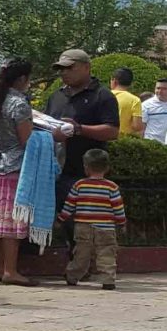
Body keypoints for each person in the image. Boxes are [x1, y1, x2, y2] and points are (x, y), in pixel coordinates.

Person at [42, 50, 122, 214]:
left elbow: (112, 131)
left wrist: (78, 129)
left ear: (86, 67)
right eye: (61, 69)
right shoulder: (56, 96)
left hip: (85, 173)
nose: (64, 72)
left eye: (70, 68)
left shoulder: (102, 96)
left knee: (81, 225)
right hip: (54, 172)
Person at [0, 59, 37, 285]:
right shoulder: (19, 104)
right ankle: (10, 270)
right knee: (13, 221)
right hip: (16, 166)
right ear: (22, 79)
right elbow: (27, 140)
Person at [61, 148, 127, 289]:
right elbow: (118, 208)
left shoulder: (79, 185)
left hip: (82, 226)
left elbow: (69, 205)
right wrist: (122, 223)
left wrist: (61, 219)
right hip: (106, 228)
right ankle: (108, 279)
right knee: (106, 252)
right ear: (107, 168)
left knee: (81, 253)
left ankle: (72, 276)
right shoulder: (112, 187)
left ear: (86, 168)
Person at [140, 78, 167, 147]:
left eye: (164, 89)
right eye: (158, 88)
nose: (160, 91)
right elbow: (142, 128)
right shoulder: (146, 105)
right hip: (151, 145)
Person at [109, 66, 144, 139]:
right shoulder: (135, 100)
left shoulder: (104, 96)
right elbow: (137, 126)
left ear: (114, 81)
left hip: (104, 137)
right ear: (130, 83)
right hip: (124, 141)